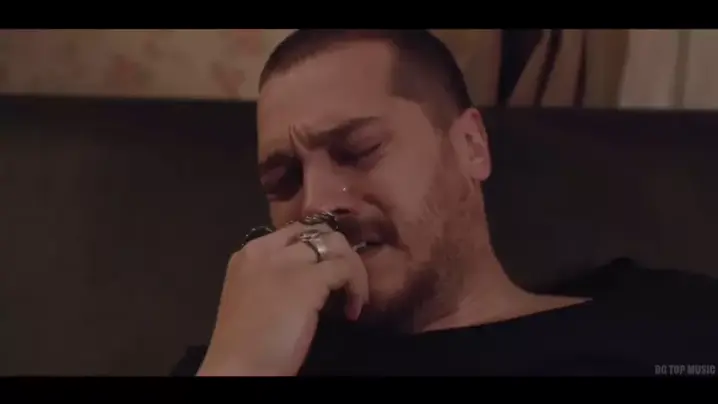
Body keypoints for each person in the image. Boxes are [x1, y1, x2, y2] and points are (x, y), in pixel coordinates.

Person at [173, 30, 718, 377]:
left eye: (358, 151)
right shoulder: (237, 358)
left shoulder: (673, 321)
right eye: (284, 180)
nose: (315, 203)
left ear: (470, 147)